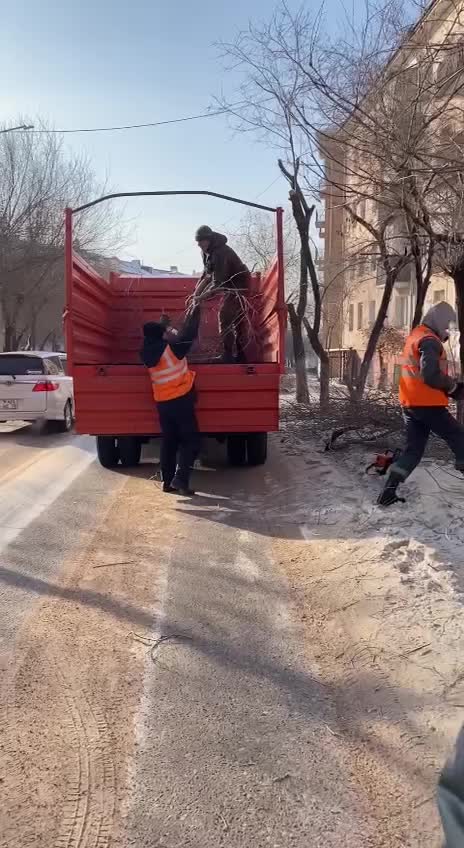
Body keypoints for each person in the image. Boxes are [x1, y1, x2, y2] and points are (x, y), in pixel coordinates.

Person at [377, 301, 464, 506]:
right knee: (458, 436)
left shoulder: (416, 335)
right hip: (428, 405)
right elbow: (430, 374)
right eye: (446, 325)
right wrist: (452, 388)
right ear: (438, 320)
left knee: (413, 451)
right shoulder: (430, 341)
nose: (447, 330)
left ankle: (388, 492)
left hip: (410, 404)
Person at [140, 306, 201, 496]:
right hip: (181, 400)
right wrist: (196, 310)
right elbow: (190, 335)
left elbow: (155, 337)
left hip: (163, 404)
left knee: (169, 443)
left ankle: (167, 482)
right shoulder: (172, 349)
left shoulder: (146, 352)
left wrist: (163, 326)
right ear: (161, 336)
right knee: (191, 442)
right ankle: (181, 479)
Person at [193, 225, 251, 363]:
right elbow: (207, 275)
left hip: (239, 285)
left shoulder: (221, 253)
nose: (199, 244)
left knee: (225, 316)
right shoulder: (206, 252)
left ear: (209, 239)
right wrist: (195, 293)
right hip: (229, 285)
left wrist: (202, 297)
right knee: (233, 320)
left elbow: (218, 282)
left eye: (201, 241)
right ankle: (240, 356)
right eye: (197, 241)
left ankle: (228, 355)